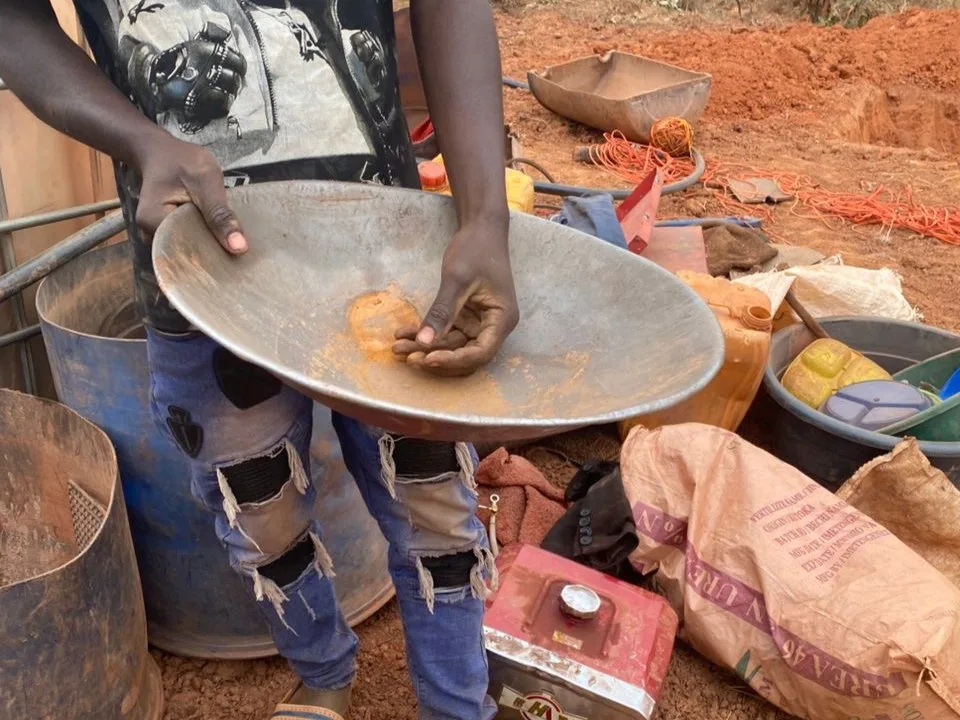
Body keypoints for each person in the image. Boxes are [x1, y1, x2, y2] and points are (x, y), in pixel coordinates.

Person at [0, 1, 518, 718]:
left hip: (391, 263)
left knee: (434, 512)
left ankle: (459, 704)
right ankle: (325, 674)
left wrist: (487, 213)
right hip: (207, 274)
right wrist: (138, 139)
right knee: (260, 515)